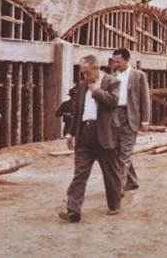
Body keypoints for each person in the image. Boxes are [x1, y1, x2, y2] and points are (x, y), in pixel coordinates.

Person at [60, 55, 121, 223]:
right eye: (82, 73)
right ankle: (73, 211)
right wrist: (71, 133)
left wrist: (97, 91)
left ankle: (114, 204)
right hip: (84, 135)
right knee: (80, 174)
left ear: (95, 68)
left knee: (110, 173)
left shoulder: (111, 81)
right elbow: (76, 112)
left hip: (104, 134)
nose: (84, 77)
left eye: (86, 73)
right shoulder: (81, 86)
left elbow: (114, 102)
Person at [111, 48, 150, 193]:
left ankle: (117, 189)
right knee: (118, 152)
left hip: (131, 116)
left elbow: (145, 99)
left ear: (127, 60)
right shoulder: (113, 75)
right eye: (114, 61)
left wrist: (145, 120)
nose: (115, 64)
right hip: (115, 117)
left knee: (124, 154)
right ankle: (132, 181)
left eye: (118, 61)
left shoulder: (139, 76)